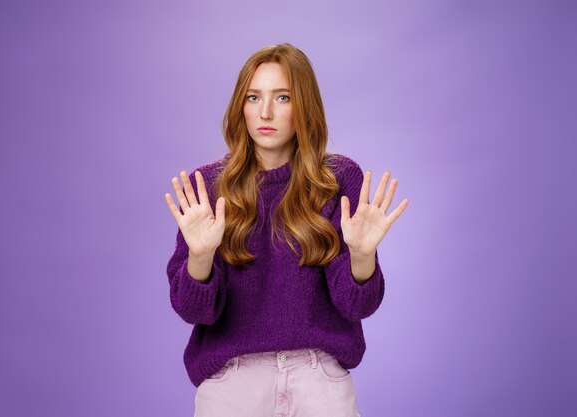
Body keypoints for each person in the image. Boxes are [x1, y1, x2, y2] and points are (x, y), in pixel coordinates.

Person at [164, 43, 409, 417]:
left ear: (304, 106)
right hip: (232, 387)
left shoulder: (339, 180)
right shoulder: (207, 188)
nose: (265, 112)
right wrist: (200, 257)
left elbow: (356, 304)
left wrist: (362, 258)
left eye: (282, 97)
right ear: (240, 106)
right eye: (253, 97)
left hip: (319, 383)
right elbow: (194, 310)